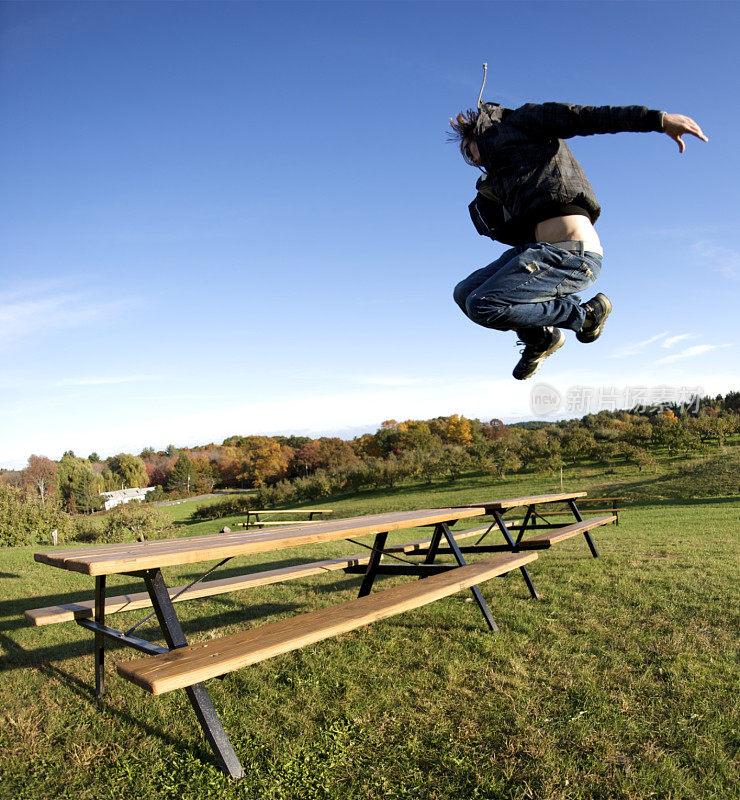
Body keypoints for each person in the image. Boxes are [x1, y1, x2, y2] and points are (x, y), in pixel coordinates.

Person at [450, 100, 707, 379]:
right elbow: (503, 230)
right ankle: (540, 338)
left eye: (469, 152)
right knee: (464, 293)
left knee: (482, 303)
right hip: (538, 252)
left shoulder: (518, 123)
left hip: (574, 255)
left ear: (476, 132)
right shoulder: (506, 178)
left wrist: (657, 120)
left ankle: (585, 316)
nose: (475, 161)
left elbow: (583, 117)